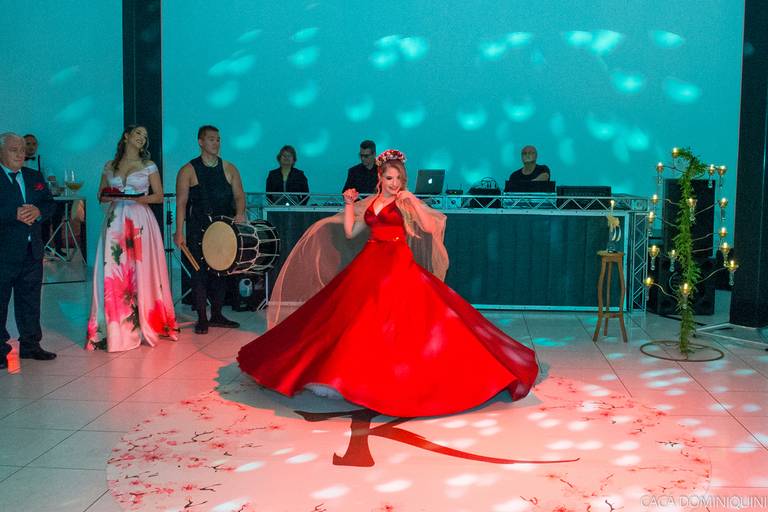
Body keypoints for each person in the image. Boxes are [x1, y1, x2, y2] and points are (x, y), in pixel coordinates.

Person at [237, 149, 538, 418]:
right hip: (370, 261)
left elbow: (430, 226)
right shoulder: (371, 202)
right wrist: (348, 204)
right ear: (380, 177)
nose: (394, 183)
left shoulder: (405, 201)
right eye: (389, 178)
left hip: (397, 262)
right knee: (351, 319)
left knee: (406, 319)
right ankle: (351, 375)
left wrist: (414, 201)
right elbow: (352, 232)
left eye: (399, 179)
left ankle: (401, 377)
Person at [86, 125, 177, 351]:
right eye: (138, 133)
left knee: (141, 270)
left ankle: (146, 320)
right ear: (126, 136)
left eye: (145, 136)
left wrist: (137, 199)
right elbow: (101, 195)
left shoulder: (148, 165)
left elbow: (158, 196)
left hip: (139, 219)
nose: (142, 138)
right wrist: (111, 196)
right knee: (114, 270)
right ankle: (116, 327)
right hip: (115, 220)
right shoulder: (110, 166)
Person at [175, 125, 245, 334]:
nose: (216, 143)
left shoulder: (229, 168)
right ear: (201, 142)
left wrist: (240, 213)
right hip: (198, 229)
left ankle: (216, 314)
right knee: (199, 273)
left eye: (218, 139)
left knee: (221, 271)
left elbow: (239, 196)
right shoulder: (188, 170)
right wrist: (179, 232)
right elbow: (181, 203)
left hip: (224, 229)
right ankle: (202, 318)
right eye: (212, 139)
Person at [0, 132, 57, 369]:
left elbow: (50, 203)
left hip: (32, 250)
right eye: (14, 150)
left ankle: (31, 345)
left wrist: (39, 212)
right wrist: (11, 214)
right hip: (4, 251)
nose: (20, 154)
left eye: (22, 150)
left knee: (30, 300)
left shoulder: (34, 176)